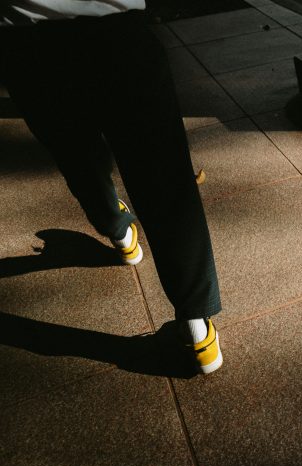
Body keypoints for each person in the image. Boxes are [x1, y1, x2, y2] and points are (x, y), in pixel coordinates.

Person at [0, 0, 224, 374]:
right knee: (163, 178)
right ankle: (196, 330)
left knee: (78, 157)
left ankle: (120, 233)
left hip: (24, 40)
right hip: (115, 28)